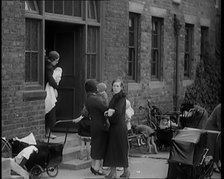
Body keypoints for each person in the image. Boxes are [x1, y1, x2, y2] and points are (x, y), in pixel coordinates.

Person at [103, 79, 130, 179]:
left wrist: (110, 115)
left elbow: (118, 112)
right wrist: (108, 112)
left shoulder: (121, 98)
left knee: (120, 149)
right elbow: (112, 110)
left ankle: (125, 171)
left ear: (121, 87)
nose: (115, 88)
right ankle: (113, 172)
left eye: (117, 86)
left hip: (119, 127)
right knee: (113, 150)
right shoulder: (115, 97)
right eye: (114, 86)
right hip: (115, 127)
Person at [84, 80, 108, 175]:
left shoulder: (88, 98)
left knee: (94, 145)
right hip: (100, 124)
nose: (97, 88)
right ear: (93, 88)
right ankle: (97, 168)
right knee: (99, 146)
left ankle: (93, 166)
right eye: (96, 86)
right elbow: (105, 108)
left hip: (94, 124)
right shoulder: (96, 99)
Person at [45, 51, 61, 139]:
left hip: (48, 89)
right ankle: (48, 133)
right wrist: (56, 85)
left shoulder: (48, 65)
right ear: (52, 59)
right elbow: (50, 79)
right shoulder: (49, 67)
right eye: (56, 60)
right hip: (49, 91)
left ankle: (48, 132)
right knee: (50, 111)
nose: (57, 62)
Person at [205, 103, 221, 172]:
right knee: (214, 147)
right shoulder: (220, 107)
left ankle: (217, 163)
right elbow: (219, 123)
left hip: (217, 129)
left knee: (218, 146)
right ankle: (213, 165)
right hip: (211, 128)